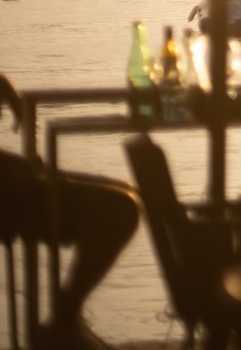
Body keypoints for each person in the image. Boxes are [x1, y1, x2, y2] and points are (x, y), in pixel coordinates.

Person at [1, 74, 140, 350]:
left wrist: (7, 90)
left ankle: (66, 315)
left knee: (127, 192)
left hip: (14, 189)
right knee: (121, 207)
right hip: (11, 199)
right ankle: (64, 319)